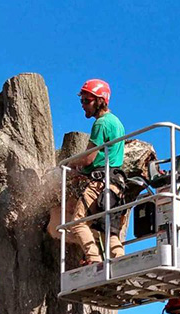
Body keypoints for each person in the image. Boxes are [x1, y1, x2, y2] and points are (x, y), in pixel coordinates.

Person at [56, 79, 129, 265]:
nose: (83, 106)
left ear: (100, 100)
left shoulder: (101, 124)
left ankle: (94, 259)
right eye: (82, 101)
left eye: (86, 101)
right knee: (110, 230)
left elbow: (89, 158)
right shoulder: (117, 122)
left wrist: (71, 163)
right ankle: (121, 260)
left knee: (78, 223)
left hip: (100, 183)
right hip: (116, 185)